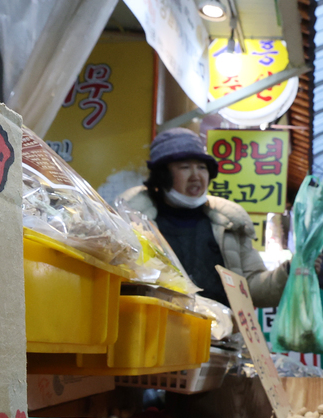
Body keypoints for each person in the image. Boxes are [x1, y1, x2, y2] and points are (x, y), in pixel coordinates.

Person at [121, 128, 289, 308]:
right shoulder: (132, 221)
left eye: (202, 167)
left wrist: (289, 271)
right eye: (185, 167)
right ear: (162, 175)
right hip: (155, 322)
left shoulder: (230, 223)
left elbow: (253, 289)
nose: (196, 176)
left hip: (220, 326)